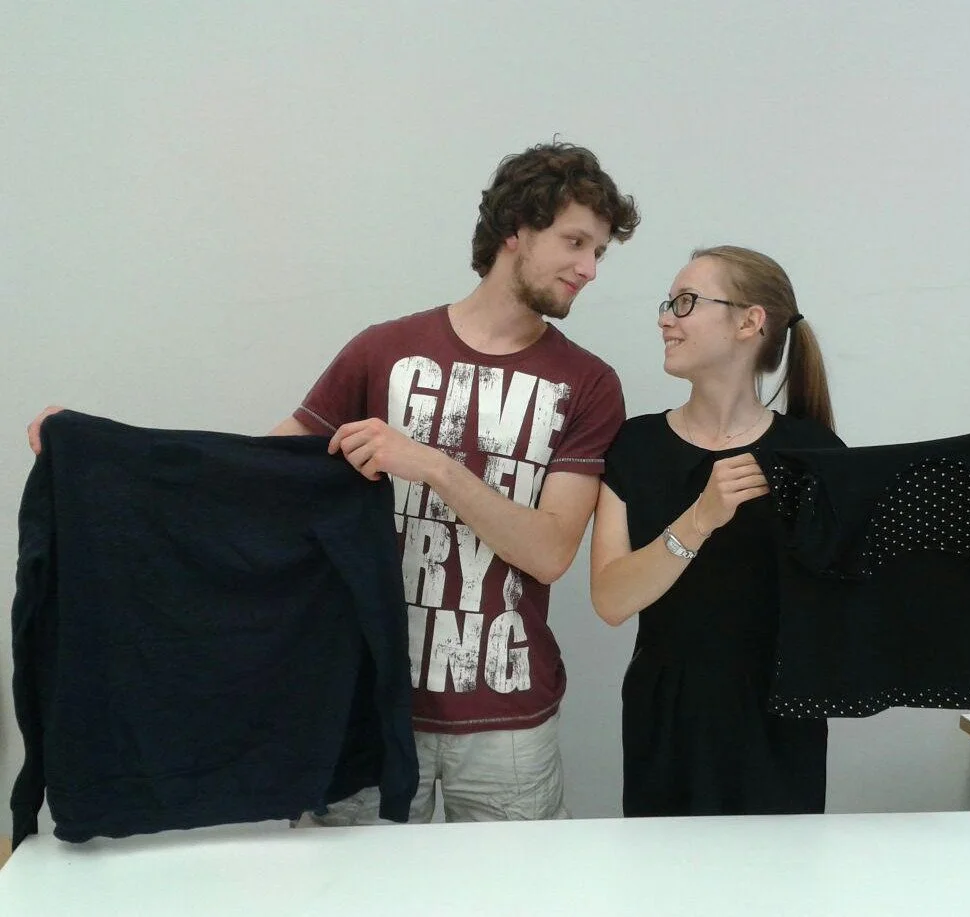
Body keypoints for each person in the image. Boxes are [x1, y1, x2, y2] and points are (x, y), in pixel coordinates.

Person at [27, 141, 640, 824]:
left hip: (506, 725)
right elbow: (252, 475)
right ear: (515, 231)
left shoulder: (587, 384)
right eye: (575, 242)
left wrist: (432, 464)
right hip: (359, 708)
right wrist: (95, 447)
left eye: (599, 253)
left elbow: (551, 551)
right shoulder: (384, 349)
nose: (588, 269)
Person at [589, 244, 970, 819]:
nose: (665, 317)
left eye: (687, 301)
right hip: (665, 712)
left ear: (750, 322)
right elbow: (611, 599)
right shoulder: (636, 446)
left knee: (778, 892)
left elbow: (927, 541)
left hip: (781, 715)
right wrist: (699, 519)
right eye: (669, 302)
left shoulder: (813, 455)